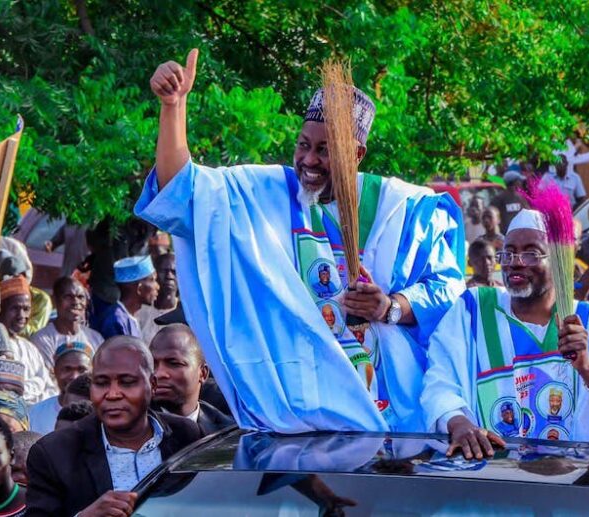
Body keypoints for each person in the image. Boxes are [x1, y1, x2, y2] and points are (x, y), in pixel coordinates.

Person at [135, 49, 465, 433]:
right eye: (303, 145)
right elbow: (182, 193)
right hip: (295, 415)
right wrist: (173, 107)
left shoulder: (407, 210)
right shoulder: (264, 194)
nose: (308, 159)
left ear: (356, 154)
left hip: (394, 417)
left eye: (325, 150)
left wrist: (390, 306)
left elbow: (447, 291)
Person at [421, 209, 589, 460]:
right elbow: (439, 381)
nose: (516, 261)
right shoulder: (473, 310)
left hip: (574, 488)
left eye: (531, 253)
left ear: (559, 261)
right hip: (490, 482)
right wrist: (457, 422)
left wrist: (588, 370)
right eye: (509, 252)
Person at [26, 336, 202, 516]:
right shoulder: (54, 453)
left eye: (127, 382)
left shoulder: (187, 436)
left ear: (152, 385)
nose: (113, 394)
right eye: (101, 383)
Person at [150, 325, 233, 434]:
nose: (159, 373)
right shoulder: (130, 427)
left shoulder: (227, 433)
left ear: (203, 373)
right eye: (152, 364)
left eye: (174, 364)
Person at [0, 277, 57, 405]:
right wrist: (36, 385)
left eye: (26, 309)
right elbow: (6, 390)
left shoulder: (30, 348)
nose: (21, 316)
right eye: (15, 308)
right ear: (0, 309)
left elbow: (49, 388)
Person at [30, 277, 103, 367]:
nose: (76, 302)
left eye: (80, 297)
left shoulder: (95, 338)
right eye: (68, 297)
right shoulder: (41, 339)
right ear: (55, 301)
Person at [28, 342, 93, 435]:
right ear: (54, 371)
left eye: (81, 370)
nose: (74, 376)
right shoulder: (35, 413)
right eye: (67, 369)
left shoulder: (103, 413)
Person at [98, 256, 159, 339]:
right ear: (139, 288)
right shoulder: (115, 320)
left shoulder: (129, 316)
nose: (157, 286)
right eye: (152, 280)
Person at [0, 248, 52, 337]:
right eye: (10, 279)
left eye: (18, 277)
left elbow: (34, 332)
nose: (15, 282)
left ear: (25, 277)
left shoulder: (41, 299)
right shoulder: (2, 294)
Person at [136, 252, 179, 344]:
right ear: (154, 275)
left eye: (174, 272)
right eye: (164, 271)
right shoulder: (139, 312)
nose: (169, 276)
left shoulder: (186, 314)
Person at [490, 170, 528, 234]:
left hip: (519, 234)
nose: (521, 183)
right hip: (505, 235)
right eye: (519, 180)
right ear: (515, 182)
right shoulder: (499, 198)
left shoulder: (520, 197)